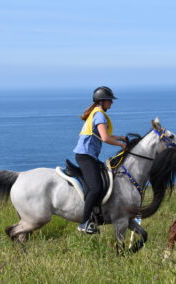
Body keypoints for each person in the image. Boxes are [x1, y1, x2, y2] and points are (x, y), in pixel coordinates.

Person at [73, 86, 126, 234]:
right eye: (110, 100)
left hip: (88, 156)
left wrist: (120, 137)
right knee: (95, 188)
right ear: (102, 101)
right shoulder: (100, 115)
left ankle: (97, 215)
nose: (112, 103)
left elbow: (103, 135)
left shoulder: (97, 113)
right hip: (85, 157)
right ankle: (83, 223)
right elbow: (105, 138)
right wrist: (121, 144)